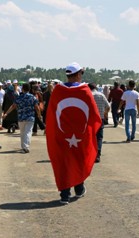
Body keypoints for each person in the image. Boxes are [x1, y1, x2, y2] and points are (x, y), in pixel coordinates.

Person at [46, 62, 102, 204]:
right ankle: (79, 188)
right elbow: (94, 115)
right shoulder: (85, 90)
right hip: (80, 136)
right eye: (81, 73)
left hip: (61, 135)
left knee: (63, 163)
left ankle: (65, 195)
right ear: (77, 74)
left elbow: (51, 113)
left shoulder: (58, 90)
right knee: (79, 160)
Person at [3, 83, 41, 153]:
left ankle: (24, 146)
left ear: (22, 89)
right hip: (30, 117)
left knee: (22, 133)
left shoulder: (19, 97)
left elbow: (13, 106)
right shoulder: (32, 97)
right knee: (28, 132)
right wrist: (39, 115)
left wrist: (6, 113)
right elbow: (37, 107)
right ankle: (25, 147)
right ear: (29, 89)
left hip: (21, 118)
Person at [88, 83, 110, 163]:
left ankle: (91, 154)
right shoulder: (101, 95)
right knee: (99, 137)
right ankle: (98, 154)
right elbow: (108, 106)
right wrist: (105, 113)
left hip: (90, 120)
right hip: (100, 119)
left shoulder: (88, 95)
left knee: (90, 137)